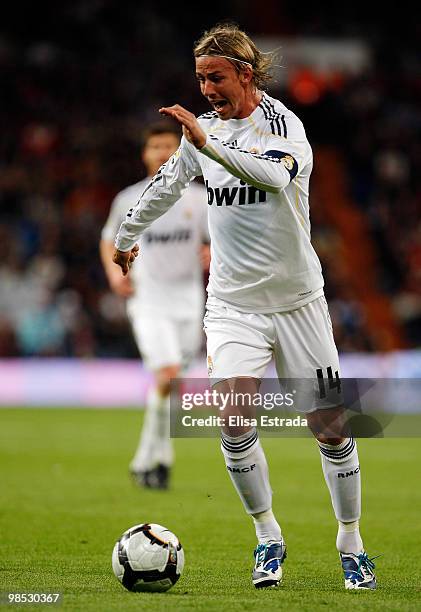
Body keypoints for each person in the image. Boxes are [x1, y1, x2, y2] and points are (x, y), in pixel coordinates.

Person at [112, 23, 377, 590]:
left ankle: (350, 540)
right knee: (234, 420)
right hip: (233, 305)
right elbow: (163, 184)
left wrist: (210, 147)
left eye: (216, 77)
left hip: (299, 302)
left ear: (245, 74)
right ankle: (267, 538)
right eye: (200, 78)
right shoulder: (199, 132)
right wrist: (126, 235)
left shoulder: (284, 127)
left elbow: (271, 176)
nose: (206, 89)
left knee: (330, 426)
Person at [100, 120, 209, 489]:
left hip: (189, 299)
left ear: (179, 152)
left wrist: (212, 251)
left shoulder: (198, 198)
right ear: (144, 154)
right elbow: (107, 239)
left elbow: (220, 239)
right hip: (149, 300)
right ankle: (151, 459)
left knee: (171, 381)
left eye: (169, 146)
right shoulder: (129, 198)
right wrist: (116, 276)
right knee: (167, 374)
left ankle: (152, 459)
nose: (163, 153)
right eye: (155, 147)